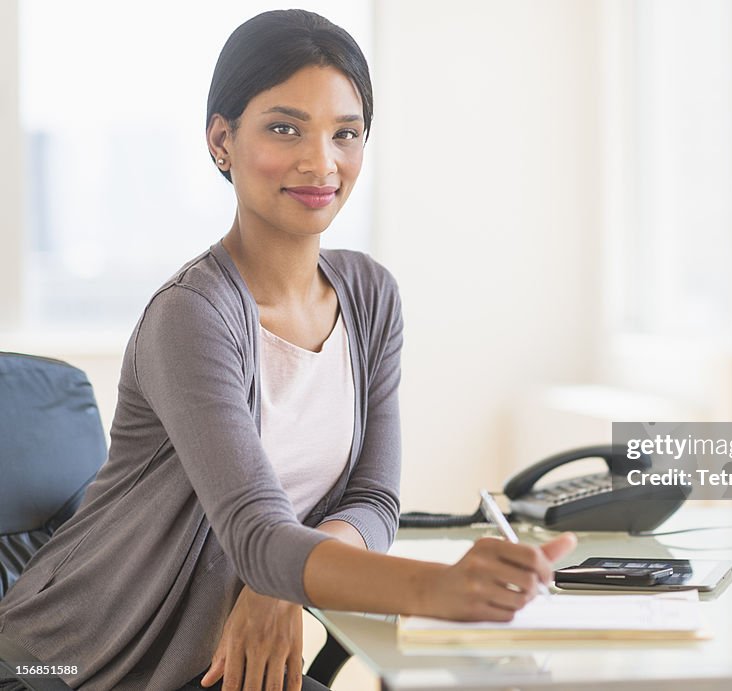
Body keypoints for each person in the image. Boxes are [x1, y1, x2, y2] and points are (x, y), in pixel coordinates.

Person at [0, 10, 576, 691]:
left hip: (214, 664)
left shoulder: (371, 297)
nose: (320, 162)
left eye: (346, 133)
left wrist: (275, 583)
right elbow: (257, 531)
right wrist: (436, 588)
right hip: (71, 661)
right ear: (222, 140)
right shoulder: (192, 315)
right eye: (284, 128)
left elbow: (373, 498)